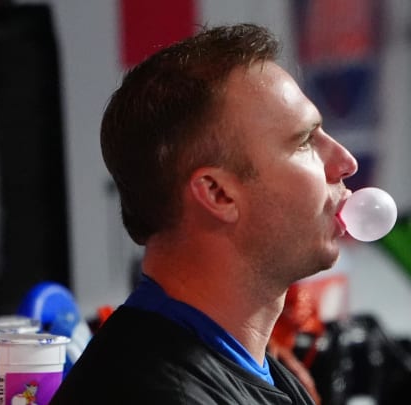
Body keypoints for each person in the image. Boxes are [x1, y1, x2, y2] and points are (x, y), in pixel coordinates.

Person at [50, 22, 358, 405]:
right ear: (217, 193)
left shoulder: (263, 375)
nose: (346, 162)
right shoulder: (155, 394)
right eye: (304, 142)